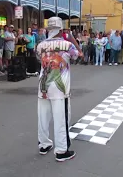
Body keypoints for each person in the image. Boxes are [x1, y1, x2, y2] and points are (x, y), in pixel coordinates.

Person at [36, 16, 82, 162]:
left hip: (43, 86)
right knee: (61, 118)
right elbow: (79, 56)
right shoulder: (67, 45)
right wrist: (72, 39)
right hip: (59, 88)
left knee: (43, 117)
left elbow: (40, 59)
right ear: (61, 29)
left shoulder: (40, 45)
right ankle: (61, 150)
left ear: (49, 29)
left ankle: (44, 144)